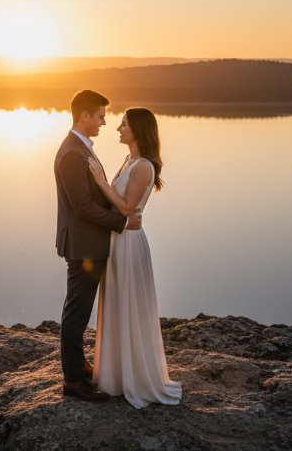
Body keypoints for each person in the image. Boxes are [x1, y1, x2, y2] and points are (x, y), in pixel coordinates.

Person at [87, 107, 182, 408]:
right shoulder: (130, 160)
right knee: (117, 302)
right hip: (118, 240)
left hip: (129, 242)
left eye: (124, 124)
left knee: (129, 303)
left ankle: (135, 376)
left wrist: (101, 182)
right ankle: (115, 374)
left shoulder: (143, 166)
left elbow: (127, 208)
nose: (117, 128)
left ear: (137, 130)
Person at [54, 89, 142, 402]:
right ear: (84, 116)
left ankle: (78, 366)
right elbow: (81, 206)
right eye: (101, 116)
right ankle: (73, 382)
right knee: (76, 314)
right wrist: (121, 222)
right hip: (83, 247)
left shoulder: (81, 148)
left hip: (89, 244)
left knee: (78, 310)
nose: (105, 122)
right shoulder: (72, 154)